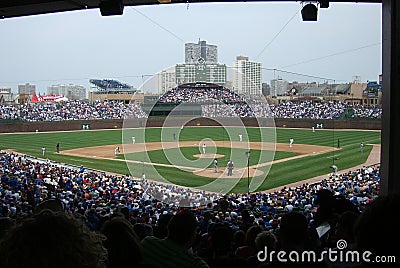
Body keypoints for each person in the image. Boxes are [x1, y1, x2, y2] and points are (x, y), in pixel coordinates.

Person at [141, 211, 209, 268]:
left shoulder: (147, 243)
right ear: (192, 236)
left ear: (168, 228)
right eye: (195, 232)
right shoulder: (197, 265)